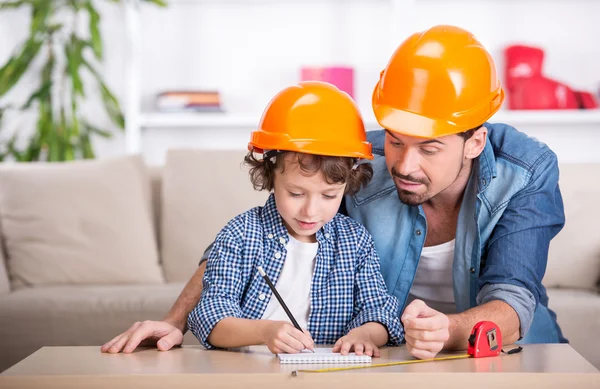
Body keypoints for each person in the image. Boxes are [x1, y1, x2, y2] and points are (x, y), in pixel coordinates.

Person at [102, 25, 566, 359]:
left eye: (429, 148)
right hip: (395, 357)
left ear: (475, 141)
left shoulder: (526, 171)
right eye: (396, 139)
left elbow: (514, 295)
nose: (403, 164)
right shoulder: (358, 157)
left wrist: (448, 331)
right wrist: (175, 319)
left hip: (506, 351)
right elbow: (249, 241)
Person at [192, 81, 403, 355]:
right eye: (295, 193)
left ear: (348, 182)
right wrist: (264, 331)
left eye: (328, 196)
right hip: (247, 375)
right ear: (270, 174)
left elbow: (380, 311)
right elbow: (210, 315)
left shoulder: (356, 242)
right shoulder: (241, 234)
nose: (310, 211)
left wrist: (365, 334)